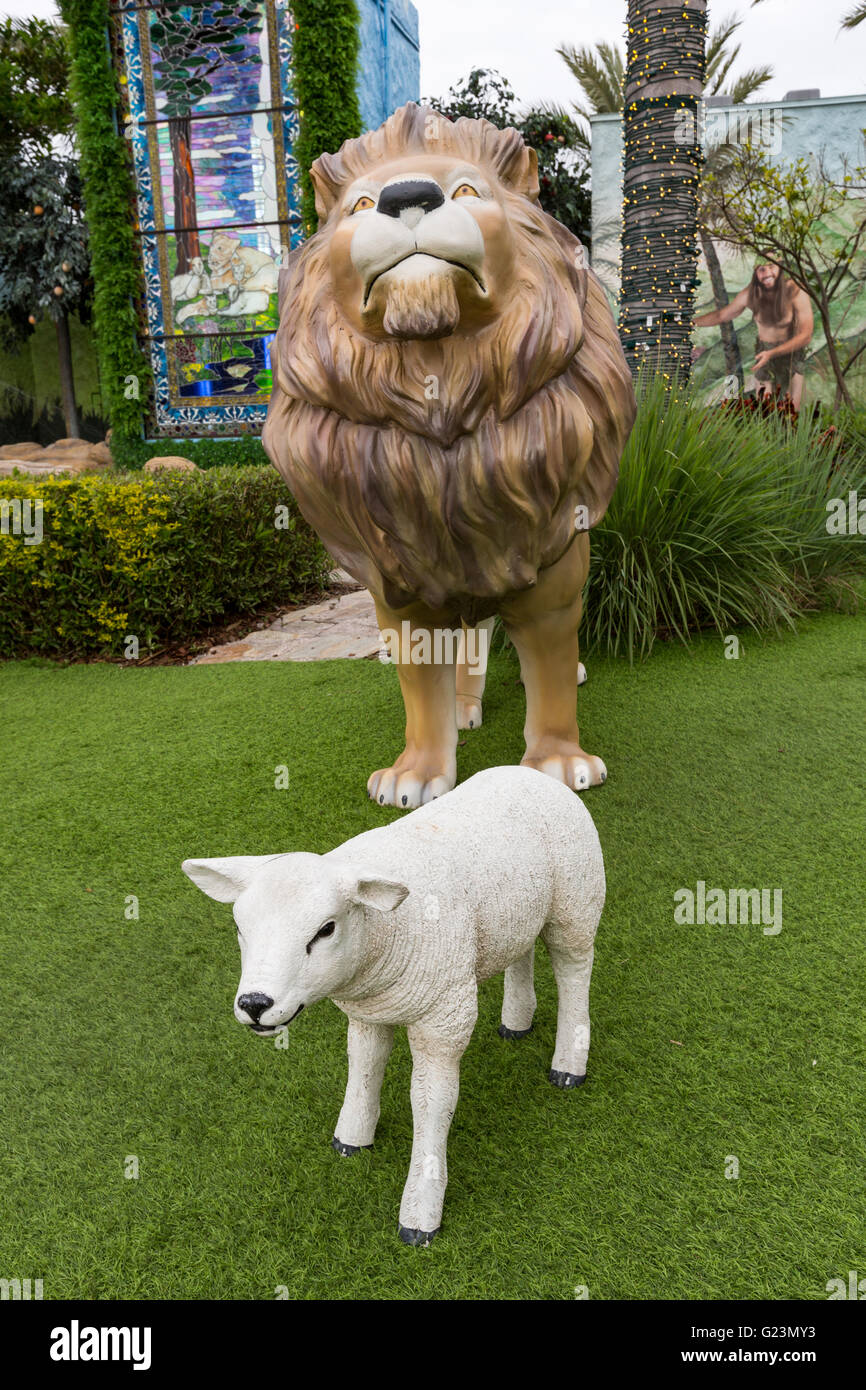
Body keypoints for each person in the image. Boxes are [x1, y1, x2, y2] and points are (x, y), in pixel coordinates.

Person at [694, 261, 814, 412]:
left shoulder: (794, 290)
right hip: (764, 352)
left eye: (772, 266)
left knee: (791, 412)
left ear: (780, 267)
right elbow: (721, 315)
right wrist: (690, 322)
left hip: (791, 353)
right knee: (765, 409)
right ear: (756, 273)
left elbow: (806, 335)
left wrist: (772, 353)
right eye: (761, 269)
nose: (767, 273)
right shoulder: (752, 293)